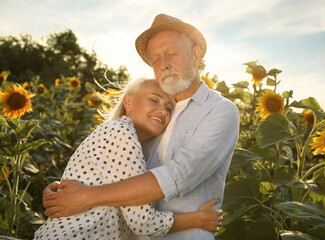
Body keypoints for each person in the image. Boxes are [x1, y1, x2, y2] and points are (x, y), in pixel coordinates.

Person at [43, 14, 240, 240]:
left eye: (171, 54)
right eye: (155, 59)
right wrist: (62, 189)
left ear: (196, 54)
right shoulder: (150, 116)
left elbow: (176, 177)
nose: (163, 64)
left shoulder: (219, 110)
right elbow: (111, 170)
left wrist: (86, 196)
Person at [34, 78, 222, 240]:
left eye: (168, 107)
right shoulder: (121, 133)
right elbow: (142, 222)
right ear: (128, 102)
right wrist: (199, 219)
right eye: (154, 100)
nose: (163, 111)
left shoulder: (124, 137)